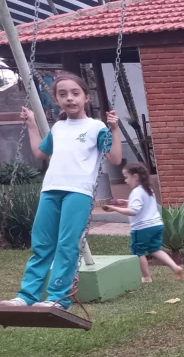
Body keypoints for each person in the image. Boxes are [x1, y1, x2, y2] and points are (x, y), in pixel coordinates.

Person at [1, 71, 122, 311]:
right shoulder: (58, 128)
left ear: (86, 97)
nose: (70, 98)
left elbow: (115, 158)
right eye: (63, 94)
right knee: (41, 244)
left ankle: (57, 297)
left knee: (67, 245)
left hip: (78, 192)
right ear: (56, 100)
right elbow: (40, 152)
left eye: (75, 93)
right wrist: (32, 123)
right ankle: (27, 296)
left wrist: (115, 129)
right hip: (50, 190)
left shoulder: (96, 127)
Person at [101, 164, 183, 282]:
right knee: (155, 249)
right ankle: (175, 267)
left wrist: (114, 209)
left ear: (135, 176)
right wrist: (127, 202)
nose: (125, 180)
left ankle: (146, 277)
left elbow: (133, 211)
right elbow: (143, 203)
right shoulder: (148, 189)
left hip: (142, 228)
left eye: (126, 177)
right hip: (156, 225)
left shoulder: (136, 192)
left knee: (138, 252)